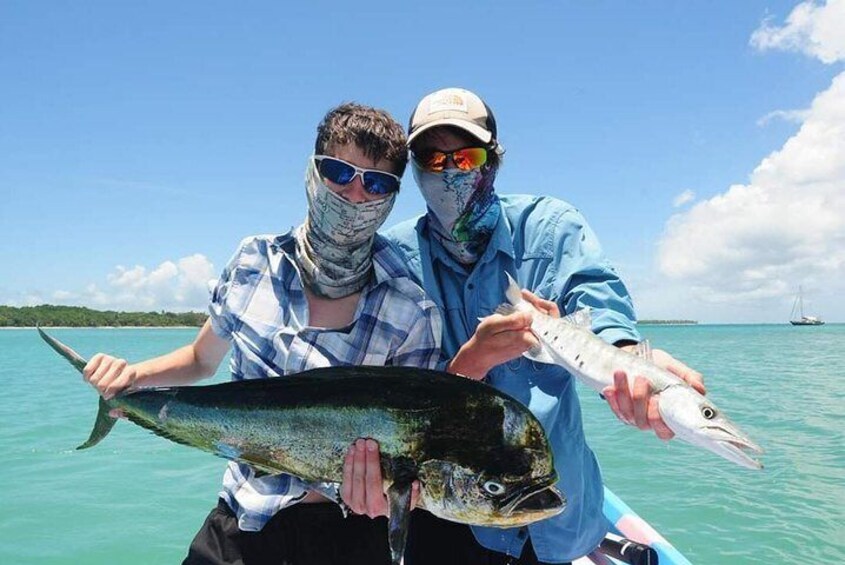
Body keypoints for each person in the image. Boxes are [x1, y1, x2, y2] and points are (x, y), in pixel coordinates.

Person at [82, 103, 440, 565]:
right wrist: (128, 378)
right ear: (313, 171)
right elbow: (200, 360)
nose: (355, 194)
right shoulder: (253, 261)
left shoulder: (413, 308)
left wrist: (394, 496)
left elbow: (420, 453)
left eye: (376, 183)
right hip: (241, 516)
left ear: (392, 198)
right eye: (339, 171)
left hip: (348, 532)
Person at [367, 88, 706, 565]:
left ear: (493, 160)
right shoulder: (394, 256)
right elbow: (393, 389)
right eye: (430, 156)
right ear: (415, 168)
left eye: (465, 156)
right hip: (447, 508)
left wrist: (630, 359)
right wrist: (470, 363)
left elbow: (597, 299)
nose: (448, 170)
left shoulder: (550, 227)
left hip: (554, 506)